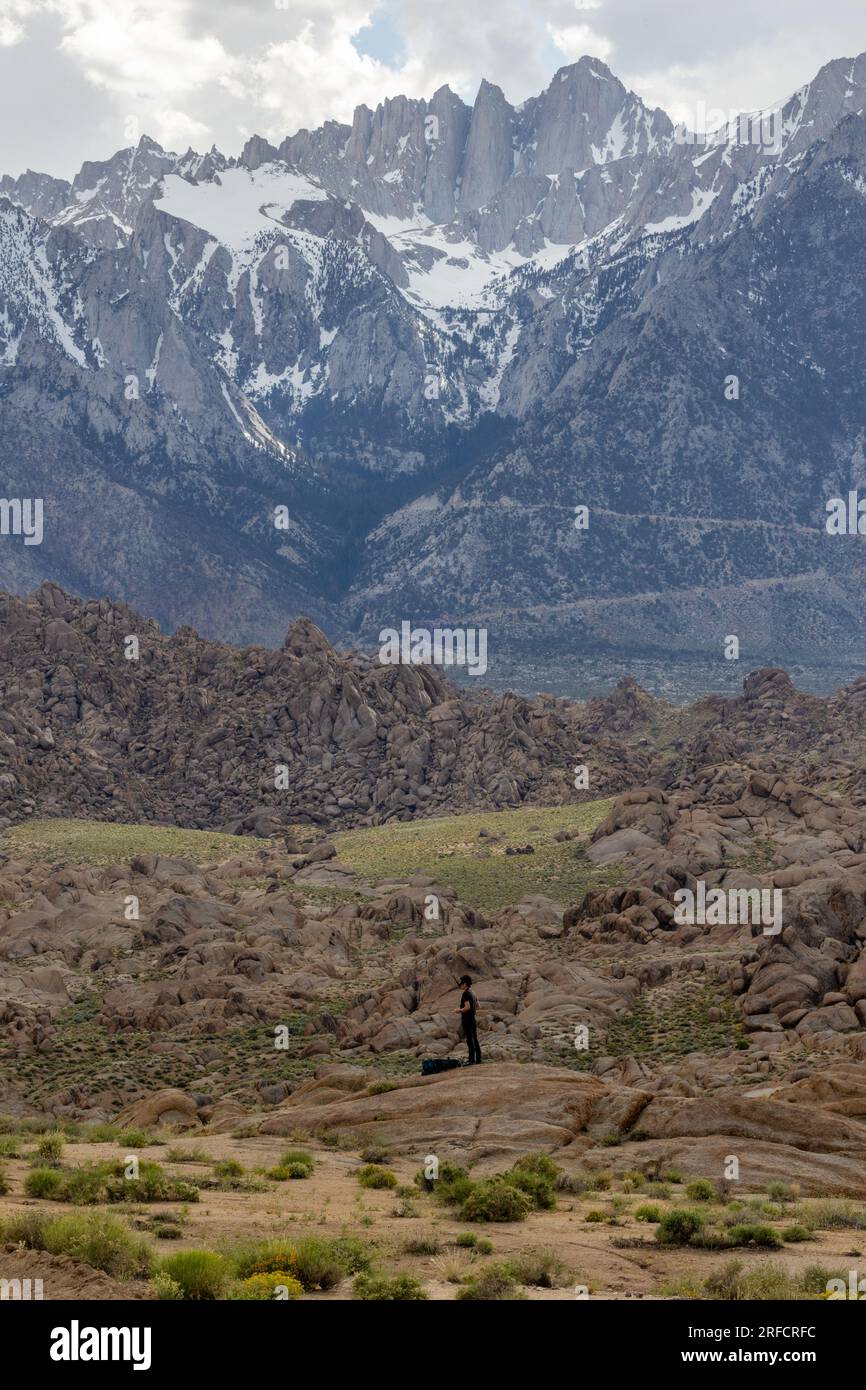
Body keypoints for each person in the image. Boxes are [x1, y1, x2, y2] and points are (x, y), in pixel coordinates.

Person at [457, 974, 482, 1065]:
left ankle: (471, 1060)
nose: (460, 985)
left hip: (467, 1019)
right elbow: (478, 1006)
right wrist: (473, 1011)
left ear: (465, 984)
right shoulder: (473, 992)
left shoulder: (466, 993)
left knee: (469, 1040)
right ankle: (478, 1059)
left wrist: (459, 1010)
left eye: (462, 983)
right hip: (473, 1019)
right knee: (474, 1039)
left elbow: (467, 1007)